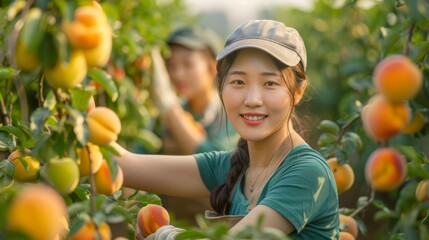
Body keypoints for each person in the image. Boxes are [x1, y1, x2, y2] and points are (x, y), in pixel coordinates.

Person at [113, 19, 340, 239]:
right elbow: (123, 165)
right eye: (238, 82)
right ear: (221, 87)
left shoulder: (308, 173)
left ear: (297, 92)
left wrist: (168, 235)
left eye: (270, 83)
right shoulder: (231, 167)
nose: (252, 99)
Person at [149, 26, 239, 224]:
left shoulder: (231, 115)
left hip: (221, 232)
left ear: (212, 66)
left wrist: (168, 106)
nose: (178, 74)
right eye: (171, 66)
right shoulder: (163, 118)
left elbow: (215, 167)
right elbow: (139, 161)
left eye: (187, 64)